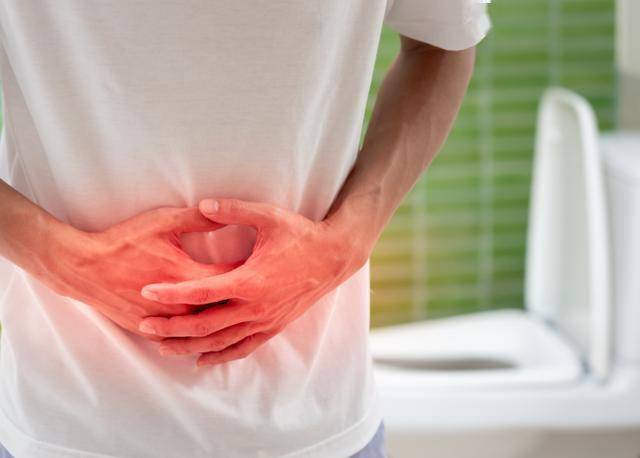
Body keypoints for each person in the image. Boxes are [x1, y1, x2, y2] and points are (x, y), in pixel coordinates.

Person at [0, 1, 490, 457]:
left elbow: (441, 43)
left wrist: (349, 241)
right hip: (65, 424)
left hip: (318, 419)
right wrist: (66, 259)